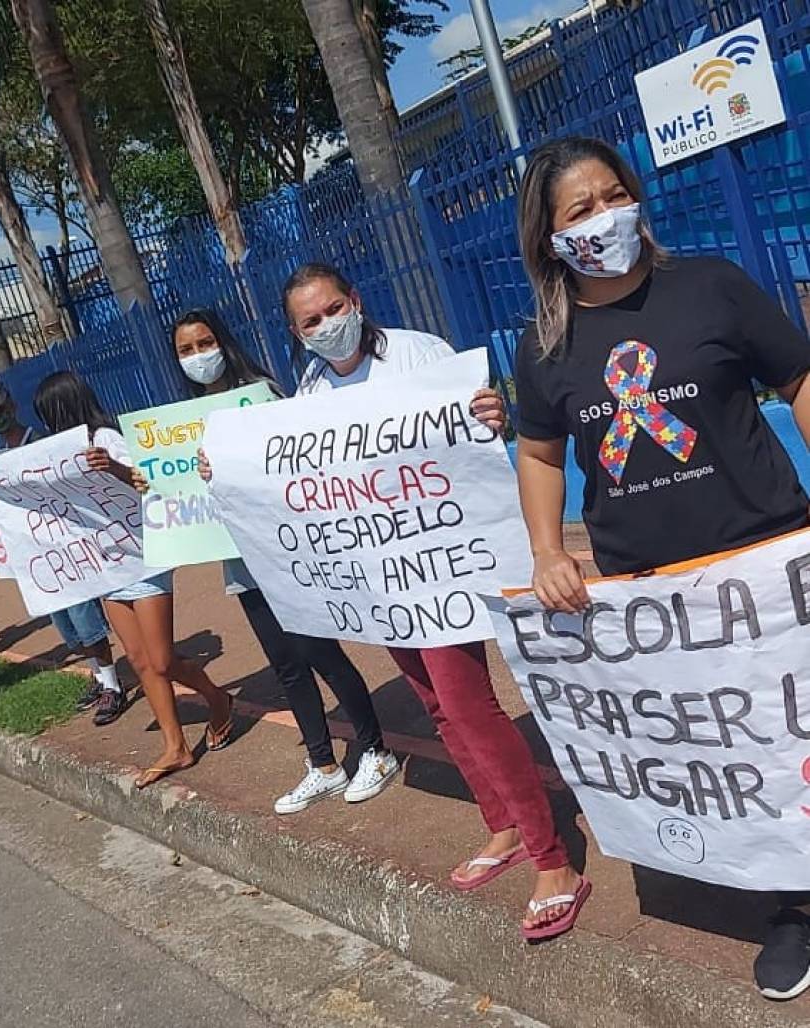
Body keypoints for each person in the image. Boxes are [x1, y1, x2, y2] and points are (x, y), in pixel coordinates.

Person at [513, 136, 810, 989]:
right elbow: (538, 455)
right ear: (549, 238)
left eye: (616, 195)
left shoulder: (710, 287)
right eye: (582, 210)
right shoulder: (546, 345)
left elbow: (798, 379)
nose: (608, 217)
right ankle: (788, 903)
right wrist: (545, 550)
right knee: (745, 752)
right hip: (658, 596)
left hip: (768, 554)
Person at [280, 262, 583, 942]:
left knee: (468, 703)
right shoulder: (307, 388)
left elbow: (475, 433)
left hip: (441, 565)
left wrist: (490, 416)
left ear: (355, 300)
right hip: (381, 571)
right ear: (296, 335)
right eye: (311, 321)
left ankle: (551, 857)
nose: (328, 325)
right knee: (438, 705)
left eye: (334, 307)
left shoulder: (418, 354)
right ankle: (500, 825)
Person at [177, 308, 399, 813]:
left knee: (320, 653)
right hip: (241, 562)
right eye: (186, 351)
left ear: (224, 342)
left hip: (288, 555)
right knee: (286, 666)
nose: (198, 357)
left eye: (204, 343)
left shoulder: (262, 394)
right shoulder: (180, 424)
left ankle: (376, 750)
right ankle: (322, 765)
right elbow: (180, 490)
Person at [32, 371, 234, 787]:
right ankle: (175, 747)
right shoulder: (58, 454)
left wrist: (117, 470)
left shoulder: (107, 439)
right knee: (141, 662)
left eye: (52, 413)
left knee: (161, 660)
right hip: (106, 567)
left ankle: (217, 698)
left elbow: (152, 484)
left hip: (144, 559)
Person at [0, 376, 125, 725]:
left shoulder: (42, 444)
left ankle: (113, 685)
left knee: (87, 623)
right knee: (67, 627)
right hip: (39, 557)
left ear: (12, 404)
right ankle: (99, 678)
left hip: (68, 549)